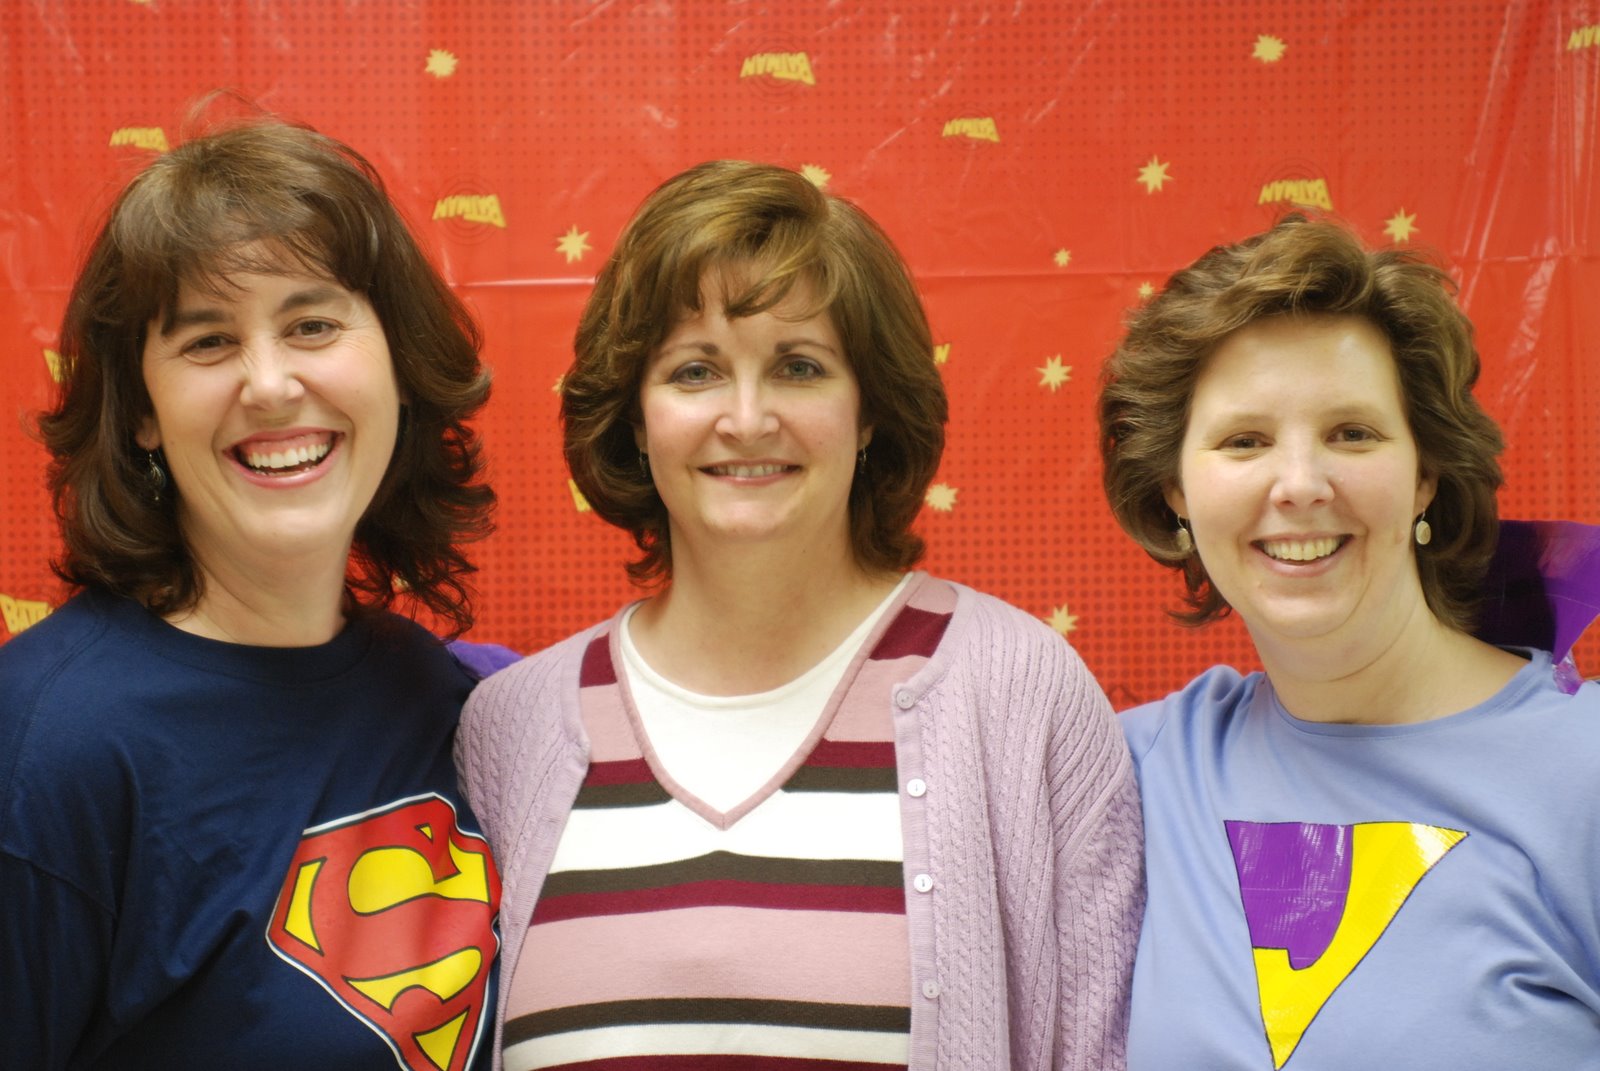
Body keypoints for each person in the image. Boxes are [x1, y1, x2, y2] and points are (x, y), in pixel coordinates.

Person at [457, 160, 1143, 1071]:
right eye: (695, 370)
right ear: (636, 419)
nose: (747, 418)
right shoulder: (508, 733)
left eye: (799, 366)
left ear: (869, 413)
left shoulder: (1021, 694)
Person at [0, 118, 503, 1069]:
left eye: (313, 324)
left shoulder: (457, 703)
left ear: (399, 365)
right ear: (142, 413)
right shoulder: (42, 746)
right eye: (208, 340)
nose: (269, 385)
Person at [1098, 214, 1600, 1070]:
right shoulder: (1126, 775)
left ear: (1425, 475)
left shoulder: (1585, 769)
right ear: (1176, 490)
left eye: (1352, 433)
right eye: (1245, 441)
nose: (1300, 484)